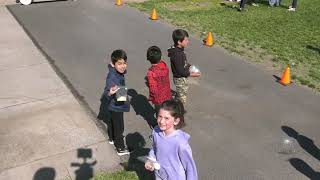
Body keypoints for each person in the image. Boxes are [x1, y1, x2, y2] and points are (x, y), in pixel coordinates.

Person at [145, 99, 198, 180]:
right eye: (159, 116)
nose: (162, 121)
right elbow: (155, 148)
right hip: (159, 175)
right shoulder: (156, 131)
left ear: (176, 121)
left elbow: (190, 167)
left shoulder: (180, 143)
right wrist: (150, 160)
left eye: (166, 118)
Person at [101, 49, 130, 156]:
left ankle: (112, 138)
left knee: (113, 123)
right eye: (119, 64)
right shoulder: (112, 77)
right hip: (116, 106)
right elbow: (106, 93)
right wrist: (110, 93)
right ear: (113, 64)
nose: (123, 66)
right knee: (119, 127)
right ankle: (120, 148)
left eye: (124, 63)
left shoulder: (116, 73)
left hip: (116, 103)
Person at [168, 29, 201, 105]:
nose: (188, 42)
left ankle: (178, 95)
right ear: (179, 42)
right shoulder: (177, 55)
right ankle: (178, 110)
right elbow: (181, 71)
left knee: (182, 90)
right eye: (186, 40)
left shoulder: (179, 49)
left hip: (181, 77)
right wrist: (193, 74)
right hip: (180, 78)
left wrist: (189, 66)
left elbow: (183, 63)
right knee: (182, 99)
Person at [146, 46, 172, 117]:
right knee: (166, 111)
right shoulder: (164, 66)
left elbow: (153, 88)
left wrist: (151, 97)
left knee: (160, 114)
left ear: (148, 58)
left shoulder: (151, 73)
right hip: (167, 94)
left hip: (158, 98)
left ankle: (160, 125)